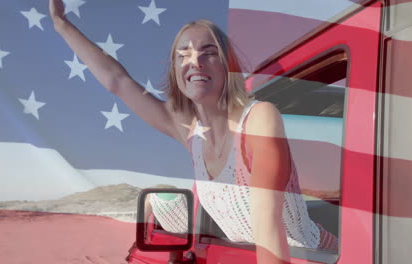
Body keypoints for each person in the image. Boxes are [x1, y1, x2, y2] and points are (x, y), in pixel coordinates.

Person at [49, 1, 337, 263]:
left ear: (228, 67)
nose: (195, 61)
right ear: (175, 70)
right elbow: (118, 81)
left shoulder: (259, 118)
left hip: (315, 256)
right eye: (183, 54)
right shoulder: (188, 131)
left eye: (208, 53)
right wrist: (61, 24)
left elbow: (267, 222)